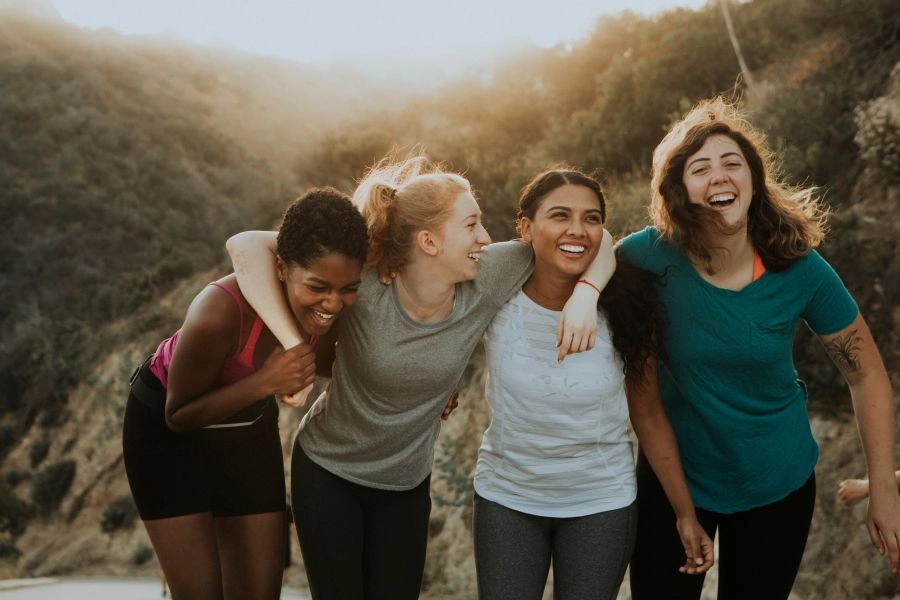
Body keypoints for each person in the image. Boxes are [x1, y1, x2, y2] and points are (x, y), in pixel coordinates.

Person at [226, 154, 614, 599]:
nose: (486, 238)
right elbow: (246, 246)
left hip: (405, 484)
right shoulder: (367, 281)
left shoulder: (488, 275)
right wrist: (294, 345)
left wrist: (586, 294)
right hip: (329, 470)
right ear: (429, 241)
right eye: (471, 226)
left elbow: (593, 240)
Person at [618, 97, 900, 599]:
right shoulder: (647, 257)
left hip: (777, 482)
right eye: (700, 168)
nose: (720, 176)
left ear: (753, 178)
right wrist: (583, 297)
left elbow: (867, 374)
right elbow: (585, 253)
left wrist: (883, 490)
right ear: (679, 189)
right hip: (675, 477)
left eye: (733, 163)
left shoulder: (799, 266)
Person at [472, 168, 713, 600]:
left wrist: (685, 512)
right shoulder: (496, 289)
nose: (577, 231)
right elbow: (440, 322)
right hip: (506, 496)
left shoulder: (627, 308)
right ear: (526, 227)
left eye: (592, 218)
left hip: (600, 503)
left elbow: (650, 414)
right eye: (560, 216)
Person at [122, 188, 368, 600]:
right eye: (318, 286)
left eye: (348, 289)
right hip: (165, 436)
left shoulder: (330, 314)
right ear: (282, 268)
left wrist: (434, 387)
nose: (333, 303)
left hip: (246, 430)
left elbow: (346, 364)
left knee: (258, 592)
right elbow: (178, 415)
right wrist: (265, 383)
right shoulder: (219, 311)